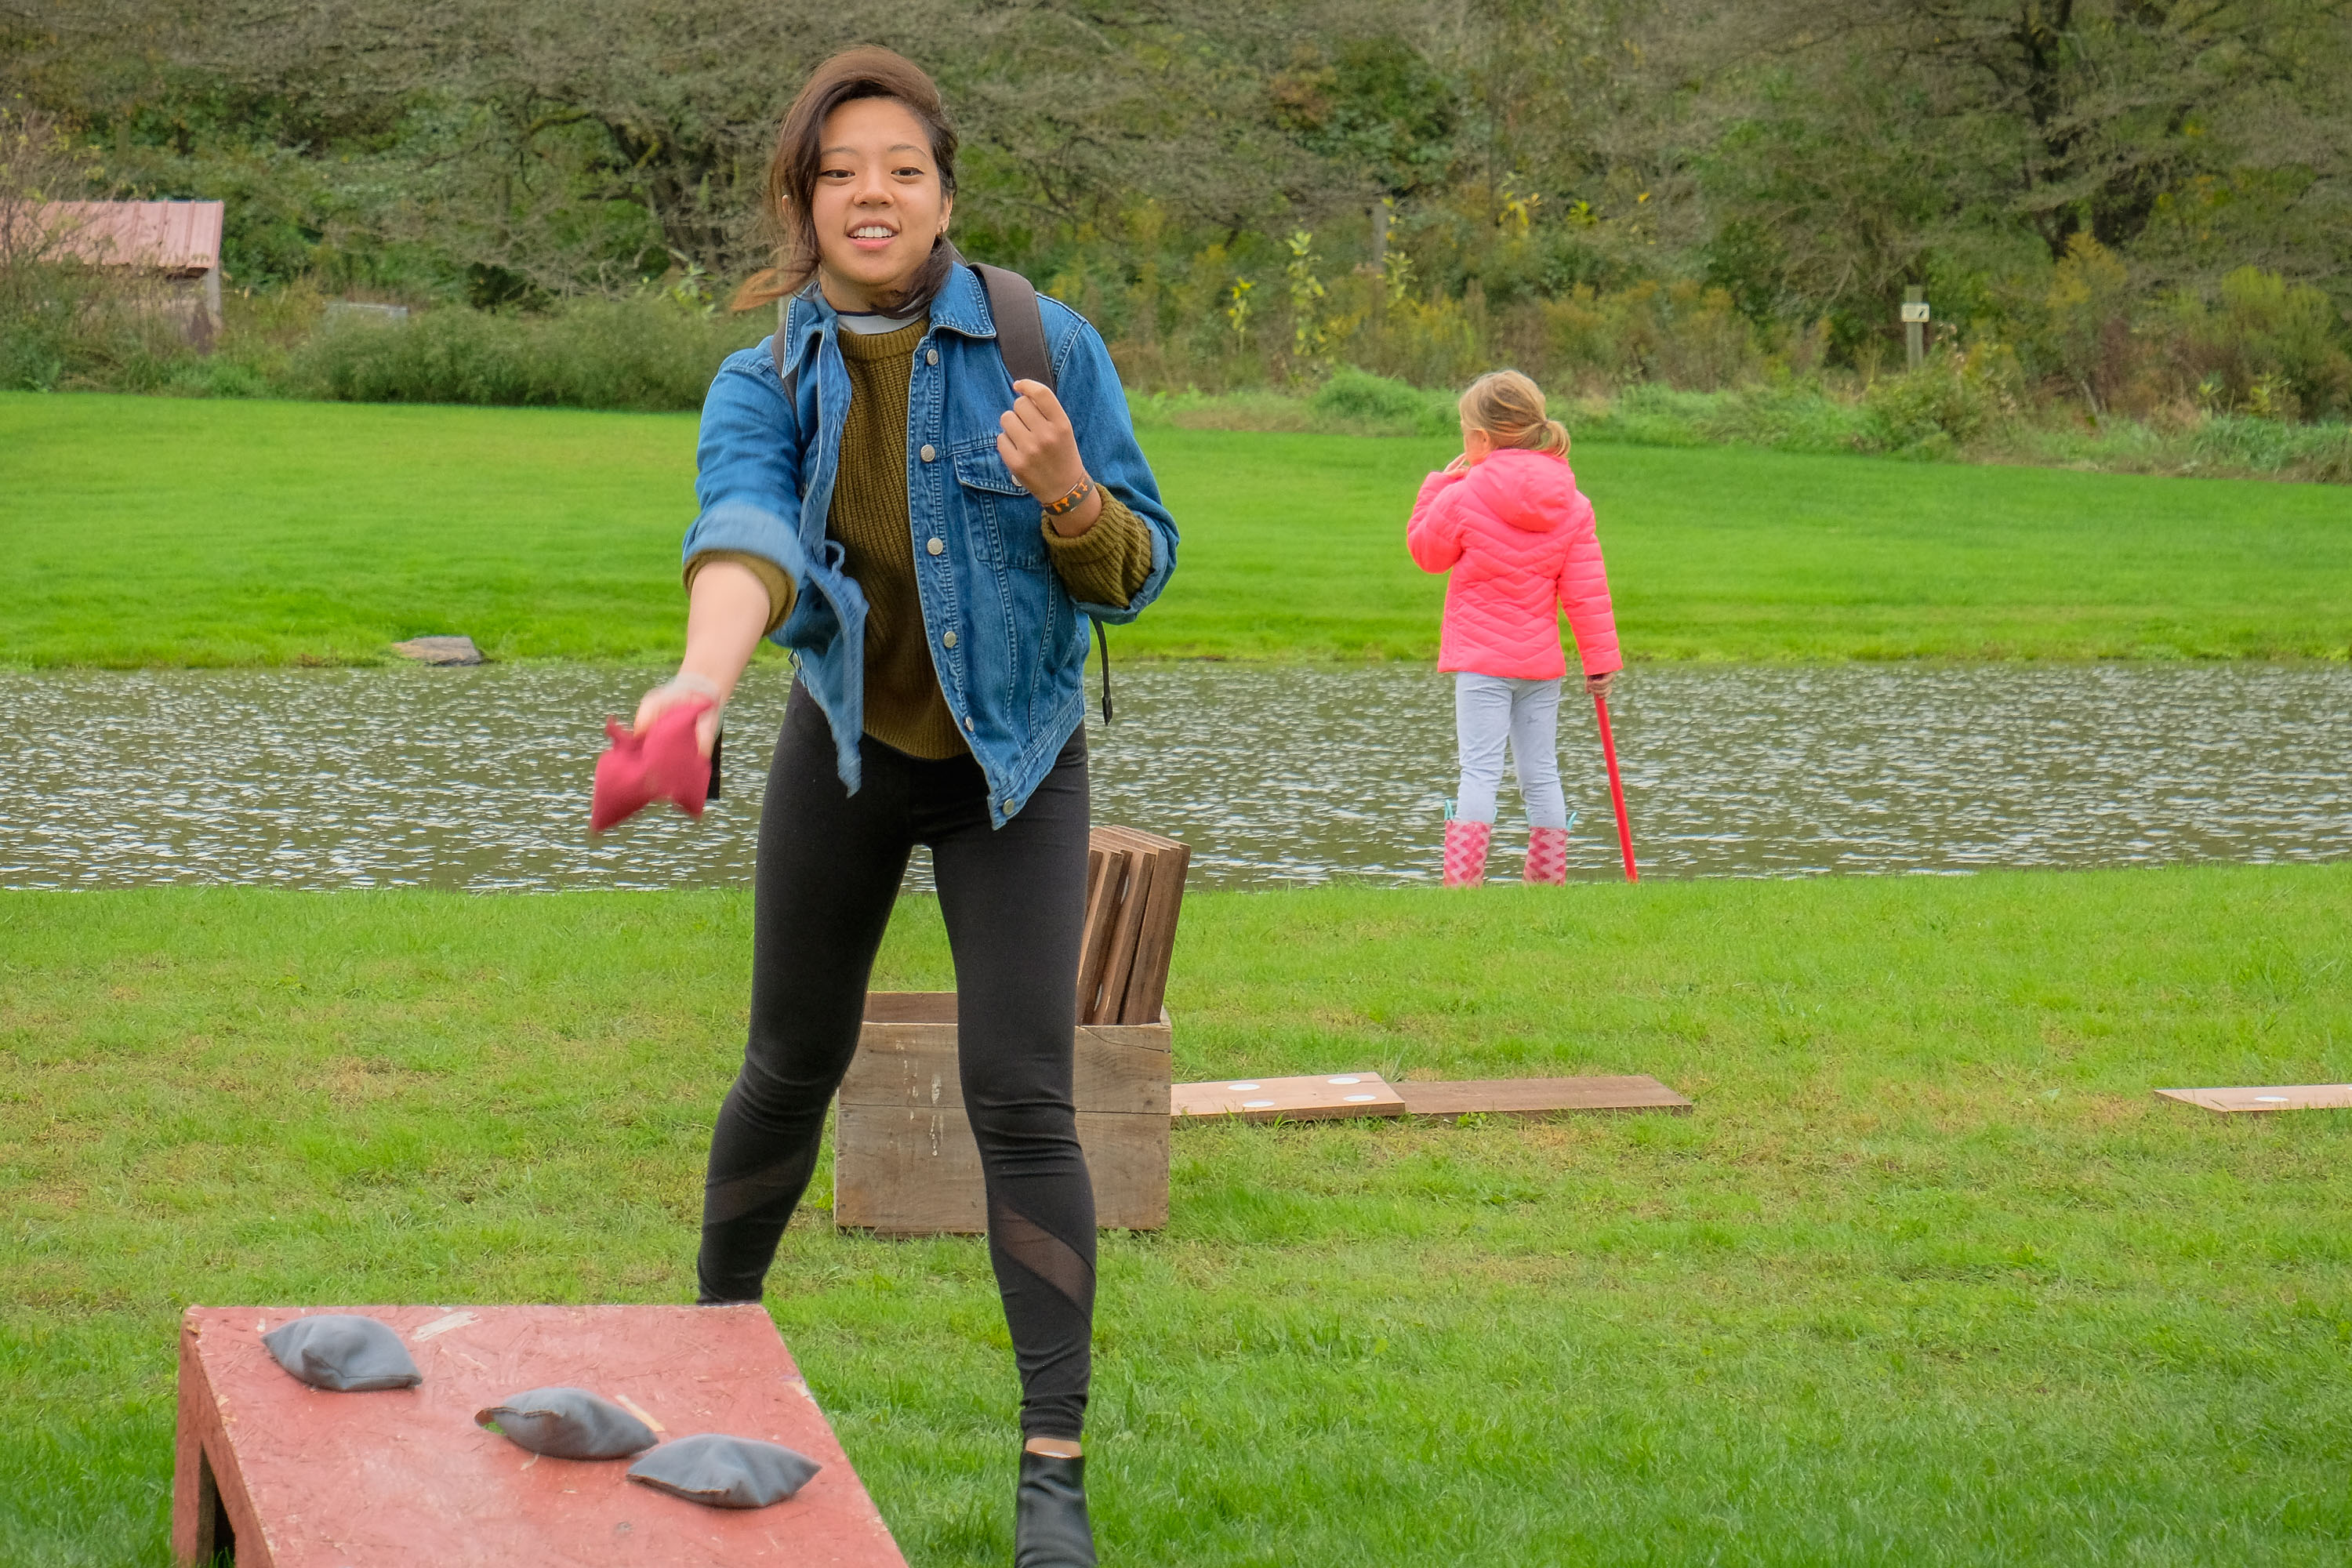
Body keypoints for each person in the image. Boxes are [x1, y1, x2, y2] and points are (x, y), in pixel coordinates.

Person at [627, 47, 1176, 1567]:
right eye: (840, 171)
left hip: (1015, 768)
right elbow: (742, 532)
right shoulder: (766, 379)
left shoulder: (1044, 346)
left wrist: (1070, 494)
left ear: (944, 195)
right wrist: (697, 686)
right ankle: (711, 1380)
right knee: (787, 1066)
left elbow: (1140, 568)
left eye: (902, 170)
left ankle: (1052, 1476)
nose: (871, 194)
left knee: (1023, 1092)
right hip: (848, 750)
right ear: (803, 199)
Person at [1406, 369, 1620, 887]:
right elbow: (1587, 592)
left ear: (1481, 439)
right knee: (1541, 772)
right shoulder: (1573, 504)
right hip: (1540, 668)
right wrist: (1600, 663)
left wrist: (1435, 487)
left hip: (1482, 664)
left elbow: (1426, 553)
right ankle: (1546, 884)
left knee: (1479, 771)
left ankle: (1463, 886)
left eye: (1464, 433)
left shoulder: (1463, 495)